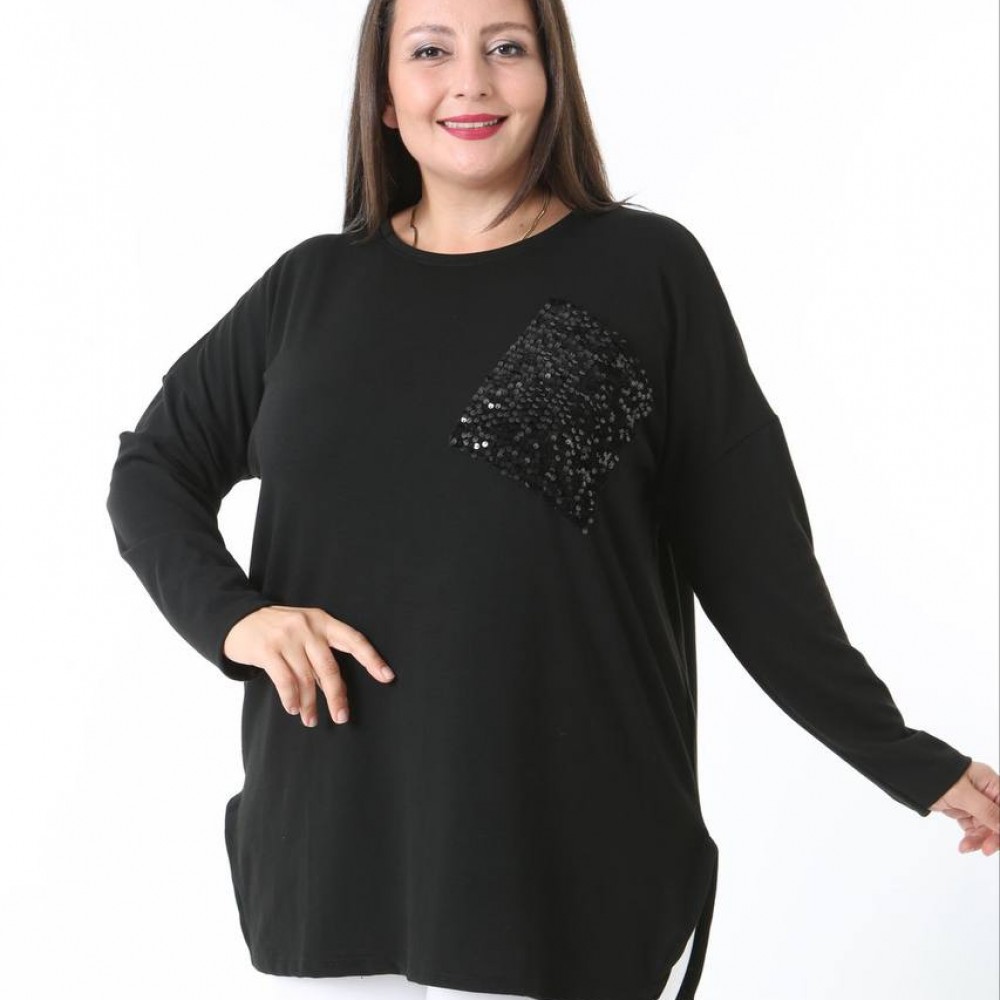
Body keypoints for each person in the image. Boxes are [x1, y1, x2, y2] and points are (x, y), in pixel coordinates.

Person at [104, 1, 1000, 999]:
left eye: (507, 48)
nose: (471, 81)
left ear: (551, 80)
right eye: (430, 51)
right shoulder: (308, 290)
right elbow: (152, 469)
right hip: (328, 867)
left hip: (561, 873)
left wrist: (907, 760)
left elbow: (756, 565)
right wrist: (238, 620)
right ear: (386, 97)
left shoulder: (642, 272)